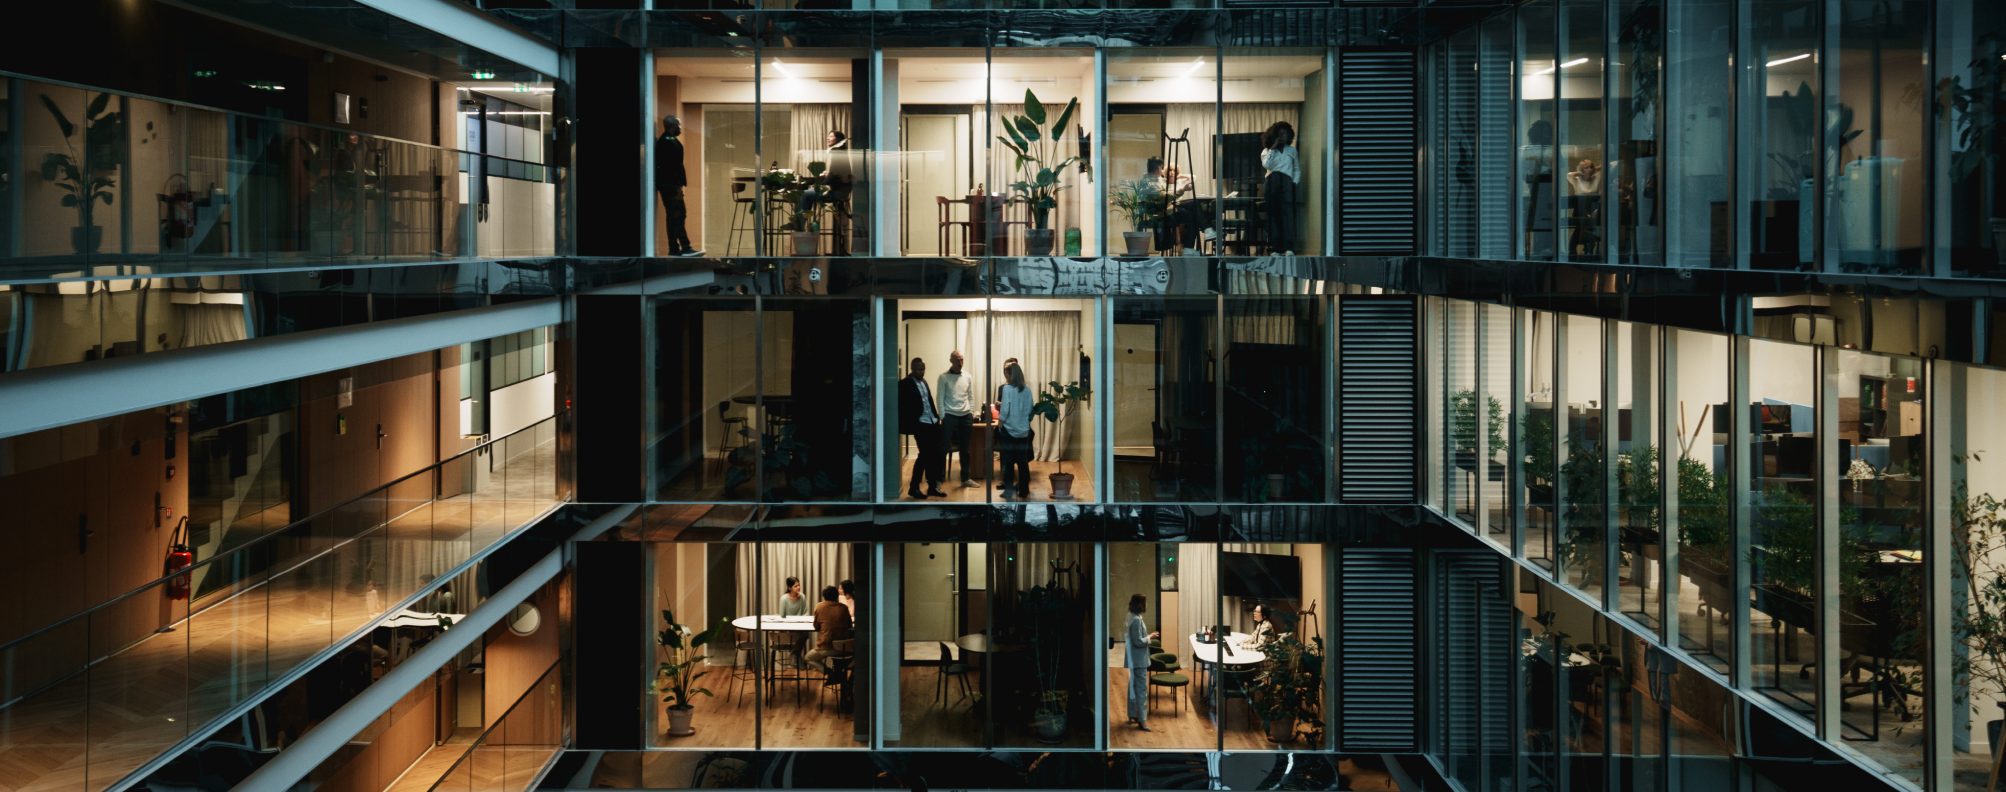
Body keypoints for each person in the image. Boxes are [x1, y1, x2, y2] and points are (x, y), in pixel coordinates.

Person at [897, 357, 946, 498]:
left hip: (932, 422)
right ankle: (914, 487)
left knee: (934, 456)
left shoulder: (924, 382)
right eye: (919, 369)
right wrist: (914, 421)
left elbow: (929, 401)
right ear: (912, 369)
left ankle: (932, 487)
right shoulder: (905, 383)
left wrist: (936, 419)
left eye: (924, 369)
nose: (922, 372)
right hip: (920, 424)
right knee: (924, 455)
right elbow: (903, 406)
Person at [656, 116, 698, 257]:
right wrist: (676, 186)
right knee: (678, 214)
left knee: (674, 216)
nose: (680, 128)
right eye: (679, 125)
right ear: (673, 125)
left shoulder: (666, 140)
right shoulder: (667, 141)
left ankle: (674, 248)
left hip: (668, 184)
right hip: (670, 185)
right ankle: (684, 246)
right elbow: (669, 166)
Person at [936, 351, 978, 488]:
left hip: (965, 416)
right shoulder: (943, 377)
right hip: (949, 416)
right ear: (951, 361)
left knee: (964, 450)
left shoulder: (967, 376)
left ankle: (965, 478)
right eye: (957, 360)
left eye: (961, 360)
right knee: (943, 448)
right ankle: (938, 479)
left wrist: (971, 413)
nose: (960, 363)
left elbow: (970, 396)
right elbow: (939, 398)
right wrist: (943, 417)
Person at [1259, 121, 1300, 256]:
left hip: (1286, 183)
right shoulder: (1266, 151)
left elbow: (1296, 169)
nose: (1283, 136)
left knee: (1286, 215)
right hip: (1272, 182)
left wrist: (1294, 183)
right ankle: (1276, 248)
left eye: (1285, 134)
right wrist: (1273, 147)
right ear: (1274, 135)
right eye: (1280, 134)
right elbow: (1267, 165)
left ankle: (1288, 248)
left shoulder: (1292, 150)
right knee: (1273, 216)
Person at [996, 362, 1034, 499]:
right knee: (1022, 461)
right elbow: (1031, 409)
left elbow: (1005, 409)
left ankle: (1008, 490)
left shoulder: (1007, 389)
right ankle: (1023, 489)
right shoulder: (1027, 389)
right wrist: (1024, 423)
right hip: (1023, 431)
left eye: (1006, 373)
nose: (1005, 376)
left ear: (1010, 374)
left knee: (1008, 461)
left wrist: (1000, 421)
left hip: (1009, 429)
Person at [1124, 594, 1159, 732]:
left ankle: (1132, 714)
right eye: (1145, 603)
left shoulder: (1129, 616)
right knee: (1141, 690)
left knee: (1133, 687)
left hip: (1133, 659)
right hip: (1139, 660)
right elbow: (1138, 642)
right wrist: (1150, 636)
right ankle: (1142, 721)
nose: (1147, 605)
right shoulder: (1137, 620)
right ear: (1141, 604)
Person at [804, 585, 853, 673]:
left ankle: (829, 672)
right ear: (837, 596)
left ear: (824, 597)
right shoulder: (844, 608)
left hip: (826, 647)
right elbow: (849, 625)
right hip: (844, 647)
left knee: (808, 658)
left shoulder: (819, 606)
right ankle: (838, 673)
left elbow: (816, 626)